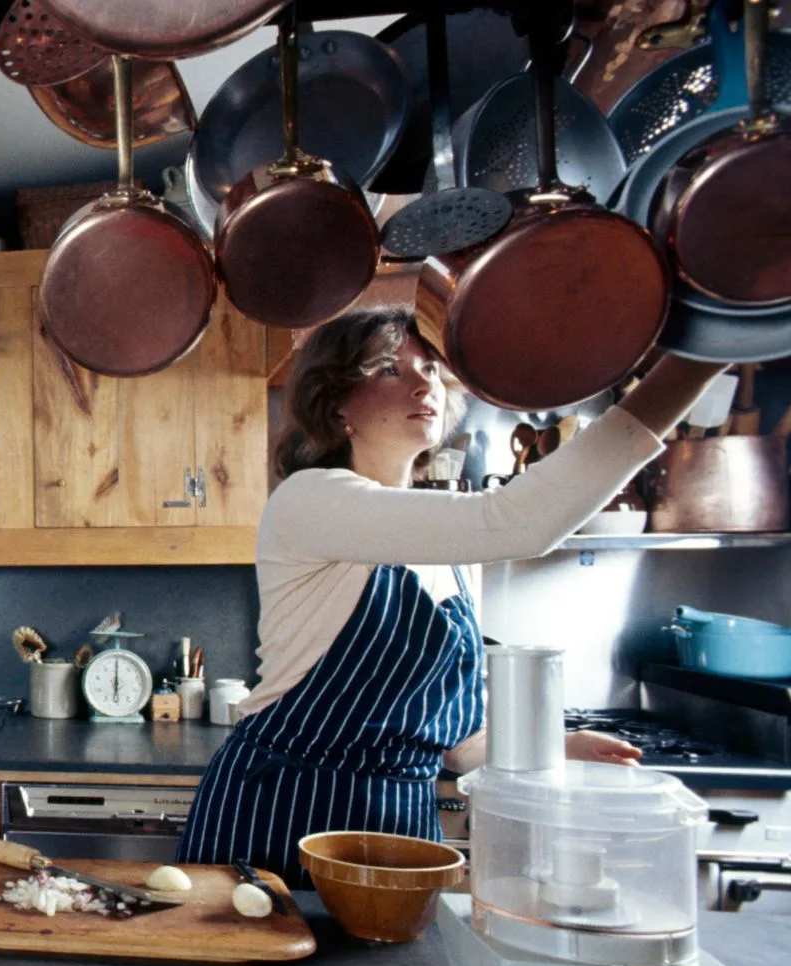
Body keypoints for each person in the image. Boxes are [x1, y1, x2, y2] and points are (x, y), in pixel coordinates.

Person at [174, 307, 731, 886]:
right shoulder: (312, 501)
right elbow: (523, 521)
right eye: (390, 370)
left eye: (433, 371)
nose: (425, 385)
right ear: (335, 404)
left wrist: (555, 744)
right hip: (284, 809)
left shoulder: (451, 546)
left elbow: (459, 741)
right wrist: (701, 358)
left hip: (400, 828)